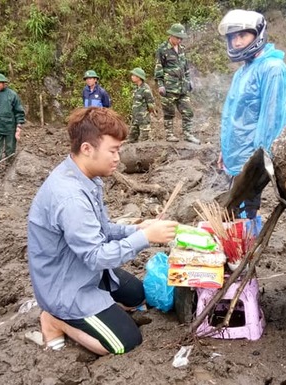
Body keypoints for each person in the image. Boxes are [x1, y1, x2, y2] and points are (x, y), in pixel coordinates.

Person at [27, 107, 179, 355]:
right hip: (65, 286)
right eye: (113, 150)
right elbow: (96, 256)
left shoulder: (84, 176)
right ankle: (56, 319)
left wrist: (137, 228)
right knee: (126, 341)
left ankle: (99, 308)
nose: (118, 157)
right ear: (87, 148)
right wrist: (145, 238)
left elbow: (101, 229)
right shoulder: (70, 197)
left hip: (81, 268)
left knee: (138, 295)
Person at [217, 10, 286, 220]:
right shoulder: (242, 72)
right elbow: (231, 114)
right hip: (235, 153)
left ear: (257, 35)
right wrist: (225, 148)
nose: (237, 42)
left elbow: (272, 120)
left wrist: (258, 162)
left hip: (251, 158)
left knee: (245, 210)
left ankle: (246, 243)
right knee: (233, 211)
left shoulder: (273, 68)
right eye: (232, 37)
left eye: (242, 35)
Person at [154, 23, 200, 144]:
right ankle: (169, 135)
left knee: (188, 111)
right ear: (171, 35)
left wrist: (189, 80)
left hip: (182, 87)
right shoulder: (162, 49)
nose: (179, 40)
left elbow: (185, 67)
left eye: (181, 38)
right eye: (177, 37)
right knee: (169, 112)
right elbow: (158, 69)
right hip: (169, 87)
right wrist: (161, 85)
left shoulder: (182, 49)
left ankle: (188, 134)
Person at [128, 67, 156, 142]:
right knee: (131, 140)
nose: (132, 77)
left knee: (144, 142)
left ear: (139, 77)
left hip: (143, 120)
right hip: (135, 119)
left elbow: (151, 104)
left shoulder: (146, 89)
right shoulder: (136, 88)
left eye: (133, 75)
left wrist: (145, 114)